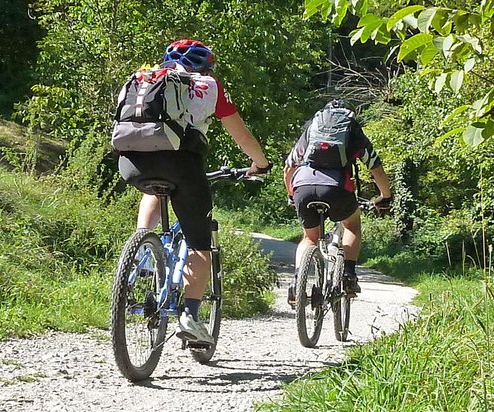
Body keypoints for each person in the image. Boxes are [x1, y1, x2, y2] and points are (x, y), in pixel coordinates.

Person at [118, 39, 271, 345]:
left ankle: (144, 250)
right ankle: (190, 315)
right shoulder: (208, 85)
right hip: (183, 165)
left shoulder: (145, 78)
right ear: (206, 65)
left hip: (131, 163)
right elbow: (240, 134)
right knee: (199, 244)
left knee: (154, 188)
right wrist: (260, 164)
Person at [283, 99, 392, 303]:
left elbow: (289, 167)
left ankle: (297, 282)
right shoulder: (353, 130)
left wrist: (291, 194)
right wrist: (385, 196)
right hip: (337, 187)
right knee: (352, 225)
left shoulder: (312, 127)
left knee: (309, 238)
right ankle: (348, 275)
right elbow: (375, 167)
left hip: (303, 186)